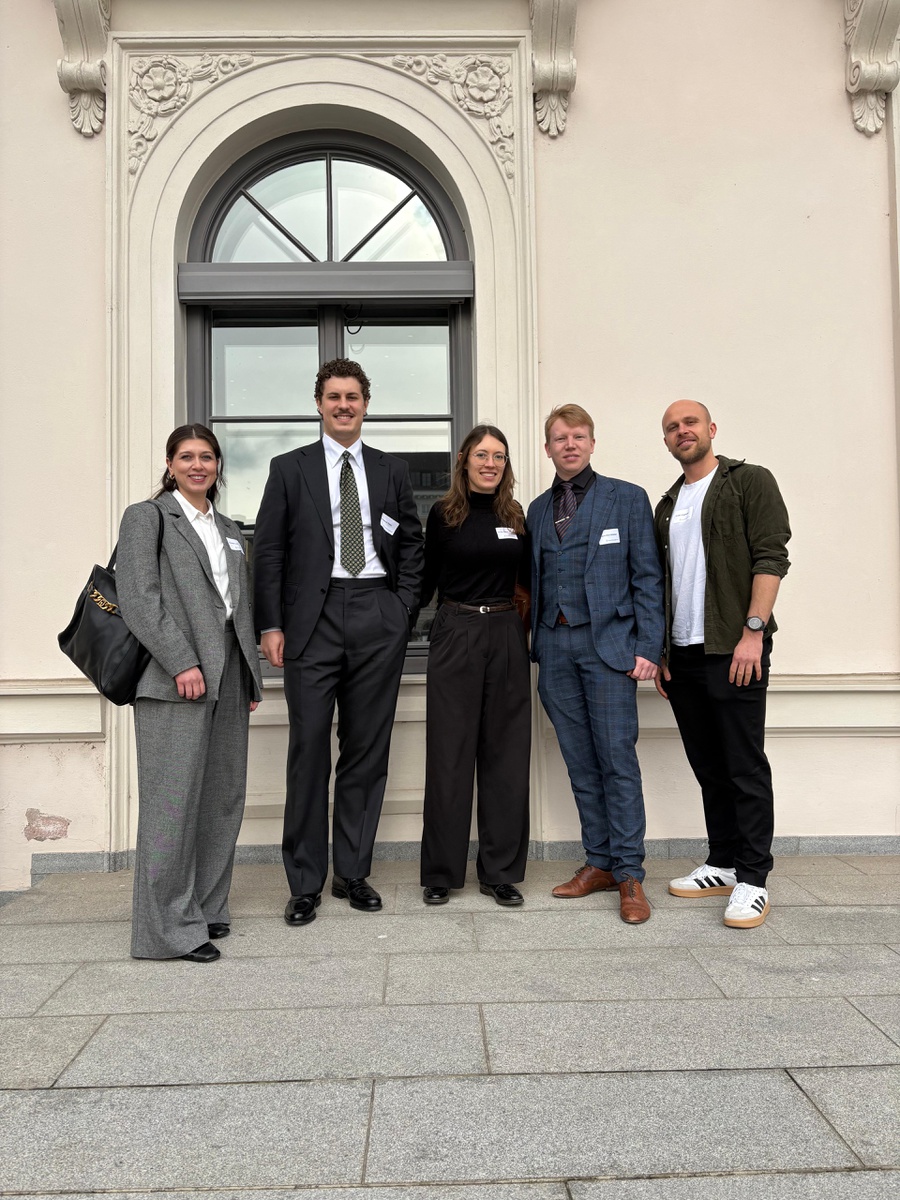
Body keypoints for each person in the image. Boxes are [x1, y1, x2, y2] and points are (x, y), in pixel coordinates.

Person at [254, 358, 424, 926]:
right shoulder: (288, 468)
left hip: (378, 612)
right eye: (334, 397)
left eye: (353, 397)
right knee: (308, 750)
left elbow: (412, 544)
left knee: (366, 749)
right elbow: (269, 551)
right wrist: (270, 624)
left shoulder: (392, 470)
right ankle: (305, 882)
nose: (343, 405)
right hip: (312, 620)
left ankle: (352, 872)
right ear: (319, 405)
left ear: (366, 405)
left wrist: (402, 609)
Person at [116, 424, 263, 963]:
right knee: (171, 804)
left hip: (229, 674)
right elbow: (139, 598)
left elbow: (239, 606)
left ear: (218, 465)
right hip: (174, 676)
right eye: (186, 457)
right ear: (170, 464)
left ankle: (206, 906)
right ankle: (167, 932)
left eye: (207, 457)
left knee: (222, 797)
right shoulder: (147, 517)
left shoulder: (228, 527)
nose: (197, 465)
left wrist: (249, 675)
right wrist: (181, 660)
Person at [654, 399, 791, 928]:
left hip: (734, 648)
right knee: (709, 765)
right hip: (683, 655)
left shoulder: (748, 482)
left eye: (690, 422)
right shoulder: (667, 504)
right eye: (672, 427)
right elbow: (665, 581)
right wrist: (664, 652)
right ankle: (723, 862)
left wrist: (753, 632)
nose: (682, 431)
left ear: (710, 428)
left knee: (743, 765)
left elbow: (771, 556)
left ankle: (753, 879)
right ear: (666, 441)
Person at [526, 404, 664, 924]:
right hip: (555, 648)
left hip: (610, 650)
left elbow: (648, 577)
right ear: (548, 448)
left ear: (591, 442)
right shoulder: (537, 510)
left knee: (616, 761)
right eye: (560, 438)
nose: (570, 445)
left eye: (578, 436)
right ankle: (599, 862)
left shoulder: (626, 498)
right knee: (580, 763)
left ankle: (629, 874)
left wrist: (649, 646)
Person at [419, 425, 531, 907]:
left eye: (499, 456)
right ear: (464, 460)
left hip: (506, 632)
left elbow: (530, 581)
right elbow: (424, 579)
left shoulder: (516, 515)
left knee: (506, 756)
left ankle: (500, 871)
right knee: (449, 754)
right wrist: (392, 627)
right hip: (456, 629)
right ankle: (441, 872)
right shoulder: (443, 514)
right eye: (482, 455)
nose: (491, 463)